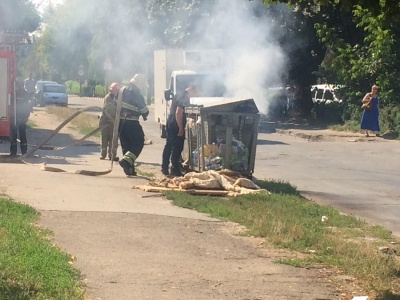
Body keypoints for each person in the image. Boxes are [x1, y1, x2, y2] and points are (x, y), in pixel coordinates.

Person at [161, 84, 197, 176]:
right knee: (177, 147)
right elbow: (178, 112)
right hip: (176, 124)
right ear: (191, 89)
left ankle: (164, 167)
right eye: (195, 92)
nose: (195, 95)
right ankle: (174, 169)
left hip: (170, 121)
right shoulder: (185, 97)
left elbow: (173, 109)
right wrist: (180, 127)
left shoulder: (179, 94)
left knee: (169, 144)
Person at [118, 74, 149, 176]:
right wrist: (144, 113)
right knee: (138, 141)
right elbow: (144, 110)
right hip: (132, 122)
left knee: (126, 145)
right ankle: (126, 162)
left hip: (121, 123)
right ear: (139, 84)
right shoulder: (136, 93)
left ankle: (129, 169)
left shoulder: (122, 90)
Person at [99, 82, 120, 161]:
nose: (114, 92)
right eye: (113, 91)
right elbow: (108, 110)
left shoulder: (118, 99)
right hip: (105, 122)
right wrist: (111, 119)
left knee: (113, 139)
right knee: (104, 138)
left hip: (113, 123)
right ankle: (103, 155)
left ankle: (112, 156)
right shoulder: (108, 98)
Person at [10, 81, 31, 156]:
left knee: (22, 135)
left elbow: (28, 105)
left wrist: (27, 115)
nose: (14, 88)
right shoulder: (11, 94)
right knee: (13, 135)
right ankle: (13, 153)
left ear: (18, 86)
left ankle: (24, 152)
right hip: (13, 118)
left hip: (21, 117)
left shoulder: (24, 94)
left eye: (15, 86)